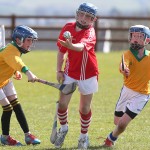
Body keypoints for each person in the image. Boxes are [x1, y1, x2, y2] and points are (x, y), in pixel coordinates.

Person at [52, 2, 99, 149]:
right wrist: (59, 70)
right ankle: (63, 129)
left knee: (84, 108)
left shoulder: (90, 32)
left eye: (89, 17)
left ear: (93, 20)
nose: (84, 19)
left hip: (88, 73)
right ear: (77, 14)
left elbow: (81, 47)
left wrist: (71, 46)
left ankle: (83, 137)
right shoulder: (67, 27)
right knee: (62, 105)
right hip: (70, 72)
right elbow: (61, 50)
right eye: (82, 14)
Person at [103, 25, 150, 147]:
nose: (135, 39)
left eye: (139, 36)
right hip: (126, 91)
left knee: (122, 124)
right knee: (117, 122)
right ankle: (114, 133)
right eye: (133, 36)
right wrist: (124, 70)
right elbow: (123, 65)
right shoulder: (127, 54)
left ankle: (110, 139)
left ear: (147, 40)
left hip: (142, 94)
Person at [0, 25, 41, 146]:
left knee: (16, 105)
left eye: (32, 40)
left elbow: (8, 62)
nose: (30, 43)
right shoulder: (10, 50)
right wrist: (28, 73)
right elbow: (17, 61)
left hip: (5, 80)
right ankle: (5, 138)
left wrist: (15, 71)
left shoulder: (15, 49)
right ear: (19, 40)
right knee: (8, 108)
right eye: (29, 40)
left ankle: (28, 136)